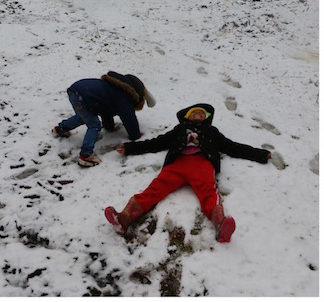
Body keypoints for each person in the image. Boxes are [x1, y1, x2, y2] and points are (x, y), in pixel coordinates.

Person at [105, 103, 272, 243]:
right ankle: (124, 219)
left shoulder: (211, 132)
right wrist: (130, 148)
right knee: (155, 189)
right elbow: (157, 142)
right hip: (176, 165)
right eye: (194, 112)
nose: (198, 114)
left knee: (208, 191)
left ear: (206, 118)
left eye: (202, 113)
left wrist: (260, 154)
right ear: (187, 117)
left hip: (202, 164)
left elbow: (232, 147)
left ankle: (221, 224)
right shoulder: (179, 129)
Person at [52, 71, 156, 167]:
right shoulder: (125, 98)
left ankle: (60, 129)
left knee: (83, 117)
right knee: (94, 125)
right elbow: (129, 117)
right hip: (83, 95)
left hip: (76, 90)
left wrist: (109, 126)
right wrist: (135, 135)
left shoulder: (114, 88)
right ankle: (85, 155)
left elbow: (106, 110)